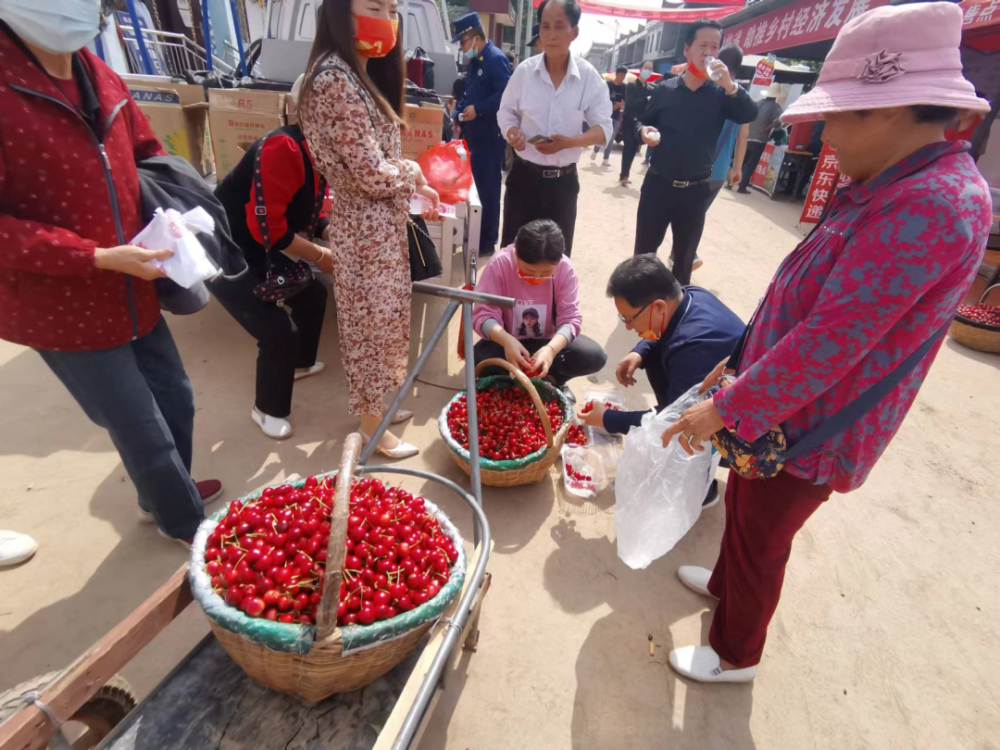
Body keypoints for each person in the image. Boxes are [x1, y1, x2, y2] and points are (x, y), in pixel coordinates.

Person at [659, 2, 992, 684]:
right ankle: (724, 586)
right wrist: (742, 364)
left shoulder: (933, 203)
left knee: (763, 533)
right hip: (779, 398)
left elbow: (832, 341)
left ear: (891, 110)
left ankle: (735, 654)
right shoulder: (891, 180)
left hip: (812, 423)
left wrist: (723, 408)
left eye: (837, 115)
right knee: (748, 508)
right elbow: (809, 298)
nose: (825, 134)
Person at [0, 5, 221, 545]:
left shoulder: (97, 72)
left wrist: (171, 207)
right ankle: (184, 522)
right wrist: (93, 256)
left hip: (136, 280)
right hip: (60, 304)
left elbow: (145, 151)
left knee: (176, 397)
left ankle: (162, 493)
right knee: (138, 423)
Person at [299, 0, 440, 459]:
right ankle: (371, 427)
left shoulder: (357, 73)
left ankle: (379, 406)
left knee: (389, 320)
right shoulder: (334, 78)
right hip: (363, 227)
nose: (386, 15)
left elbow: (375, 169)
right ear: (341, 11)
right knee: (370, 326)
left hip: (378, 222)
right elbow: (369, 172)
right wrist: (412, 171)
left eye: (392, 7)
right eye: (373, 5)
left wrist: (407, 182)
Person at [212, 76, 333, 440]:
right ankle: (267, 409)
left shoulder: (317, 151)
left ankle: (299, 364)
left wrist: (330, 233)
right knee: (279, 331)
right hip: (227, 249)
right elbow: (272, 231)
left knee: (313, 296)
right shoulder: (285, 147)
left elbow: (306, 210)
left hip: (259, 246)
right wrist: (321, 255)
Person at [580, 255, 743, 505]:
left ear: (657, 306)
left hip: (741, 429)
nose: (626, 326)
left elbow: (674, 421)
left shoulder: (693, 348)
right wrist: (640, 351)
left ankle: (701, 484)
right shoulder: (688, 295)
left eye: (628, 318)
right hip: (709, 396)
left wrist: (608, 419)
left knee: (675, 434)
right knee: (657, 356)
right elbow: (665, 329)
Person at [633, 20, 756, 286]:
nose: (709, 52)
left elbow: (749, 114)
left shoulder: (722, 94)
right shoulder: (666, 89)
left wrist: (730, 86)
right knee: (644, 253)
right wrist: (643, 132)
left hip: (695, 192)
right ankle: (637, 301)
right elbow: (638, 121)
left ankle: (676, 316)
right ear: (687, 50)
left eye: (715, 46)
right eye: (703, 45)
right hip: (658, 185)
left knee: (685, 259)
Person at [498, 0, 613, 257]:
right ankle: (510, 299)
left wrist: (569, 143)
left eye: (560, 26)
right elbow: (506, 112)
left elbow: (604, 129)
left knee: (555, 261)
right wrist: (512, 132)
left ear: (574, 32)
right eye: (546, 26)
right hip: (523, 180)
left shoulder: (589, 78)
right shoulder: (524, 73)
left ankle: (551, 300)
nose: (551, 34)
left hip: (562, 186)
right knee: (512, 253)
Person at [471, 220, 607, 385]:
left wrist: (551, 350)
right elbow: (483, 314)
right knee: (478, 360)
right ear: (515, 254)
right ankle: (506, 383)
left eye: (546, 273)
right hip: (506, 339)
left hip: (547, 340)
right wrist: (506, 341)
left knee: (593, 356)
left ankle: (554, 381)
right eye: (528, 271)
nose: (536, 278)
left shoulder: (565, 269)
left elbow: (570, 319)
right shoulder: (500, 263)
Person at [675, 45, 749, 271]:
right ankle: (683, 254)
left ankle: (683, 254)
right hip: (718, 170)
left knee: (690, 212)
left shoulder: (705, 89)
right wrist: (737, 167)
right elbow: (743, 133)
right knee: (697, 213)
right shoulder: (739, 96)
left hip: (696, 167)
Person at [452, 13, 511, 257]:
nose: (461, 48)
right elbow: (468, 95)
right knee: (473, 190)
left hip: (489, 138)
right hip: (474, 137)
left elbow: (505, 95)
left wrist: (480, 109)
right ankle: (473, 236)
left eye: (463, 42)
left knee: (487, 190)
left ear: (475, 38)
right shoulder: (475, 61)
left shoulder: (495, 59)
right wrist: (457, 113)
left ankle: (486, 241)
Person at [736, 82, 783, 194]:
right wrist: (768, 128)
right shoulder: (775, 107)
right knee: (751, 164)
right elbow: (780, 120)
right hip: (760, 139)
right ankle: (742, 187)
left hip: (747, 136)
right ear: (776, 95)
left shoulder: (757, 103)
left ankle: (731, 182)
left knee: (741, 161)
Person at [620, 60, 655, 187]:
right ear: (641, 69)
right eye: (646, 67)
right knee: (628, 148)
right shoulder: (631, 86)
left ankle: (625, 174)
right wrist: (645, 100)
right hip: (629, 122)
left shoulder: (651, 88)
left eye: (650, 68)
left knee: (634, 149)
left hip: (640, 125)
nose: (648, 70)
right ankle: (624, 175)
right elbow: (630, 103)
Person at [592, 65, 627, 167]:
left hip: (615, 116)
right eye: (620, 75)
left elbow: (624, 101)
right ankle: (596, 149)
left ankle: (605, 159)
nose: (622, 78)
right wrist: (612, 106)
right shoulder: (607, 84)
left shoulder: (624, 87)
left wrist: (621, 105)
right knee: (602, 135)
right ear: (616, 74)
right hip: (604, 114)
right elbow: (601, 99)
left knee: (611, 137)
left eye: (624, 76)